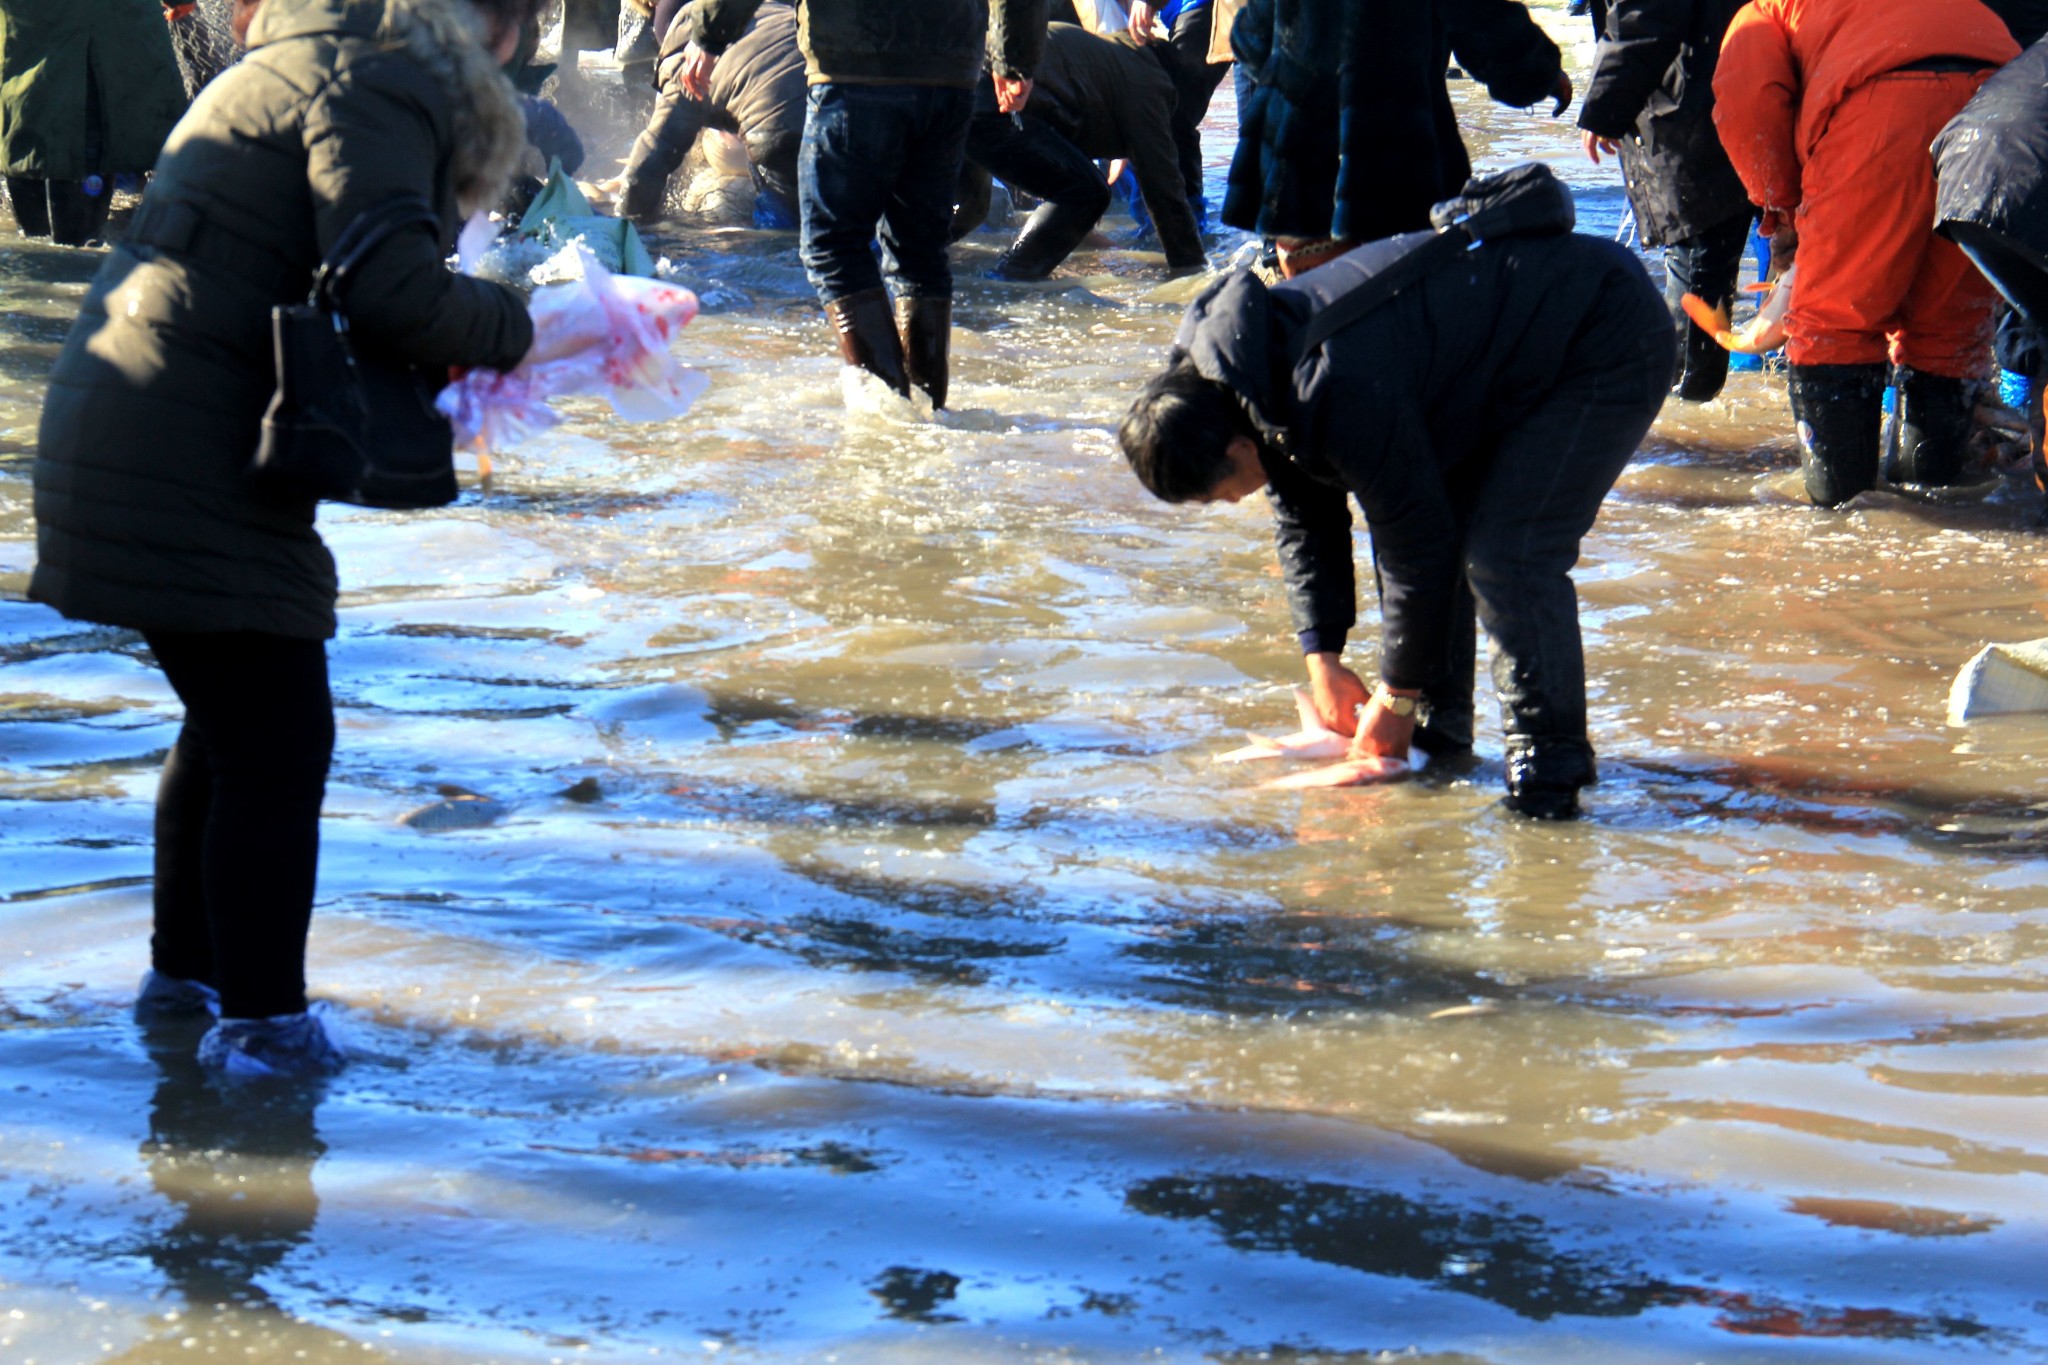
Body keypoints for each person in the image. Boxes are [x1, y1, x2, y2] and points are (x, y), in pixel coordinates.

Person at [29, 0, 542, 1079]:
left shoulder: (303, 58)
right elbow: (391, 288)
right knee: (276, 738)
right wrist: (519, 321)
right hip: (183, 438)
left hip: (132, 414)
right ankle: (263, 1033)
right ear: (489, 29)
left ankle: (185, 992)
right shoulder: (381, 81)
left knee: (229, 726)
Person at [1118, 166, 1673, 819]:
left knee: (1506, 553)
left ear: (1237, 449)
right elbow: (1306, 517)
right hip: (1487, 365)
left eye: (1217, 494)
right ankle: (1438, 739)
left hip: (1603, 332)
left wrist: (1394, 693)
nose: (1231, 503)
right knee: (1452, 536)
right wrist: (1321, 654)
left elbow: (1414, 544)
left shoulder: (1331, 382)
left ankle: (1548, 774)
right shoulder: (1237, 375)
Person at [669, 0, 1046, 411]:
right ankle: (930, 414)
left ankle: (894, 412)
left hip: (855, 64)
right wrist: (1015, 58)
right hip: (951, 71)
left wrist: (709, 34)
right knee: (920, 253)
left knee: (832, 247)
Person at [1713, 0, 2018, 505]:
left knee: (1834, 326)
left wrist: (1782, 204)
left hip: (1882, 109)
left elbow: (1745, 100)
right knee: (1948, 332)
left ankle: (1841, 522)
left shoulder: (1766, 8)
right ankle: (1937, 501)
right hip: (2000, 105)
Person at [1222, 0, 1571, 278]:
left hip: (1297, 172)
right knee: (1403, 330)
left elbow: (1250, 40)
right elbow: (1489, 31)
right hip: (1394, 166)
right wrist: (1545, 76)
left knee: (1314, 331)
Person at [1577, 0, 1753, 402]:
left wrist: (1605, 103)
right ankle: (1690, 407)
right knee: (1706, 261)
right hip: (1728, 94)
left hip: (1694, 107)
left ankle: (1686, 414)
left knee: (1697, 262)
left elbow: (1644, 18)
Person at [957, 21, 1205, 281]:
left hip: (951, 80)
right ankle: (1006, 279)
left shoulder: (1110, 54)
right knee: (1089, 194)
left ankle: (921, 267)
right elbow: (1164, 190)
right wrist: (1193, 272)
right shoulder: (1149, 80)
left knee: (971, 207)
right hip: (994, 90)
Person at [0, 0, 188, 246]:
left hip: (26, 45)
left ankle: (46, 254)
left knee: (27, 138)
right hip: (108, 41)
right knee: (89, 135)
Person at [619, 0, 802, 227]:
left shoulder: (690, 65)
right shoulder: (769, 12)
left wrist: (628, 221)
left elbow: (655, 152)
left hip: (779, 129)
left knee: (785, 233)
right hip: (836, 105)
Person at [1125, 0, 1229, 223]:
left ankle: (1187, 218)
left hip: (1203, 9)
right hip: (1201, 13)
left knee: (1172, 116)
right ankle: (1185, 216)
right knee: (1172, 116)